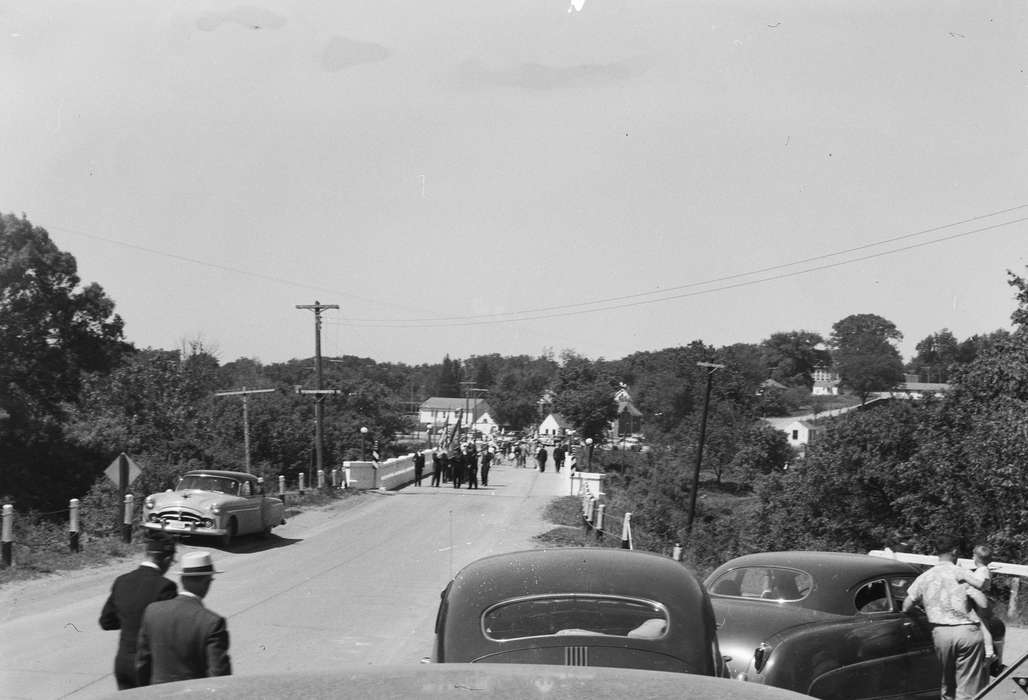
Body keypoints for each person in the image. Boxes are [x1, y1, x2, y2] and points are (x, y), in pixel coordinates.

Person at [902, 536, 989, 700]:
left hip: (941, 633)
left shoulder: (925, 576)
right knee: (968, 686)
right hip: (967, 631)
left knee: (946, 683)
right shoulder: (961, 572)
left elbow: (906, 606)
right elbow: (982, 596)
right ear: (954, 551)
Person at [136, 551, 232, 686]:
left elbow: (142, 664)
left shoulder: (152, 611)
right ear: (207, 582)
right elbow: (219, 675)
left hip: (158, 693)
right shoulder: (212, 622)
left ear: (182, 579)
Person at [99, 534, 178, 690]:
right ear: (167, 559)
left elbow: (106, 622)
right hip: (150, 666)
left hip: (123, 664)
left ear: (147, 554)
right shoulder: (165, 587)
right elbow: (171, 630)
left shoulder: (122, 580)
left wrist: (128, 620)